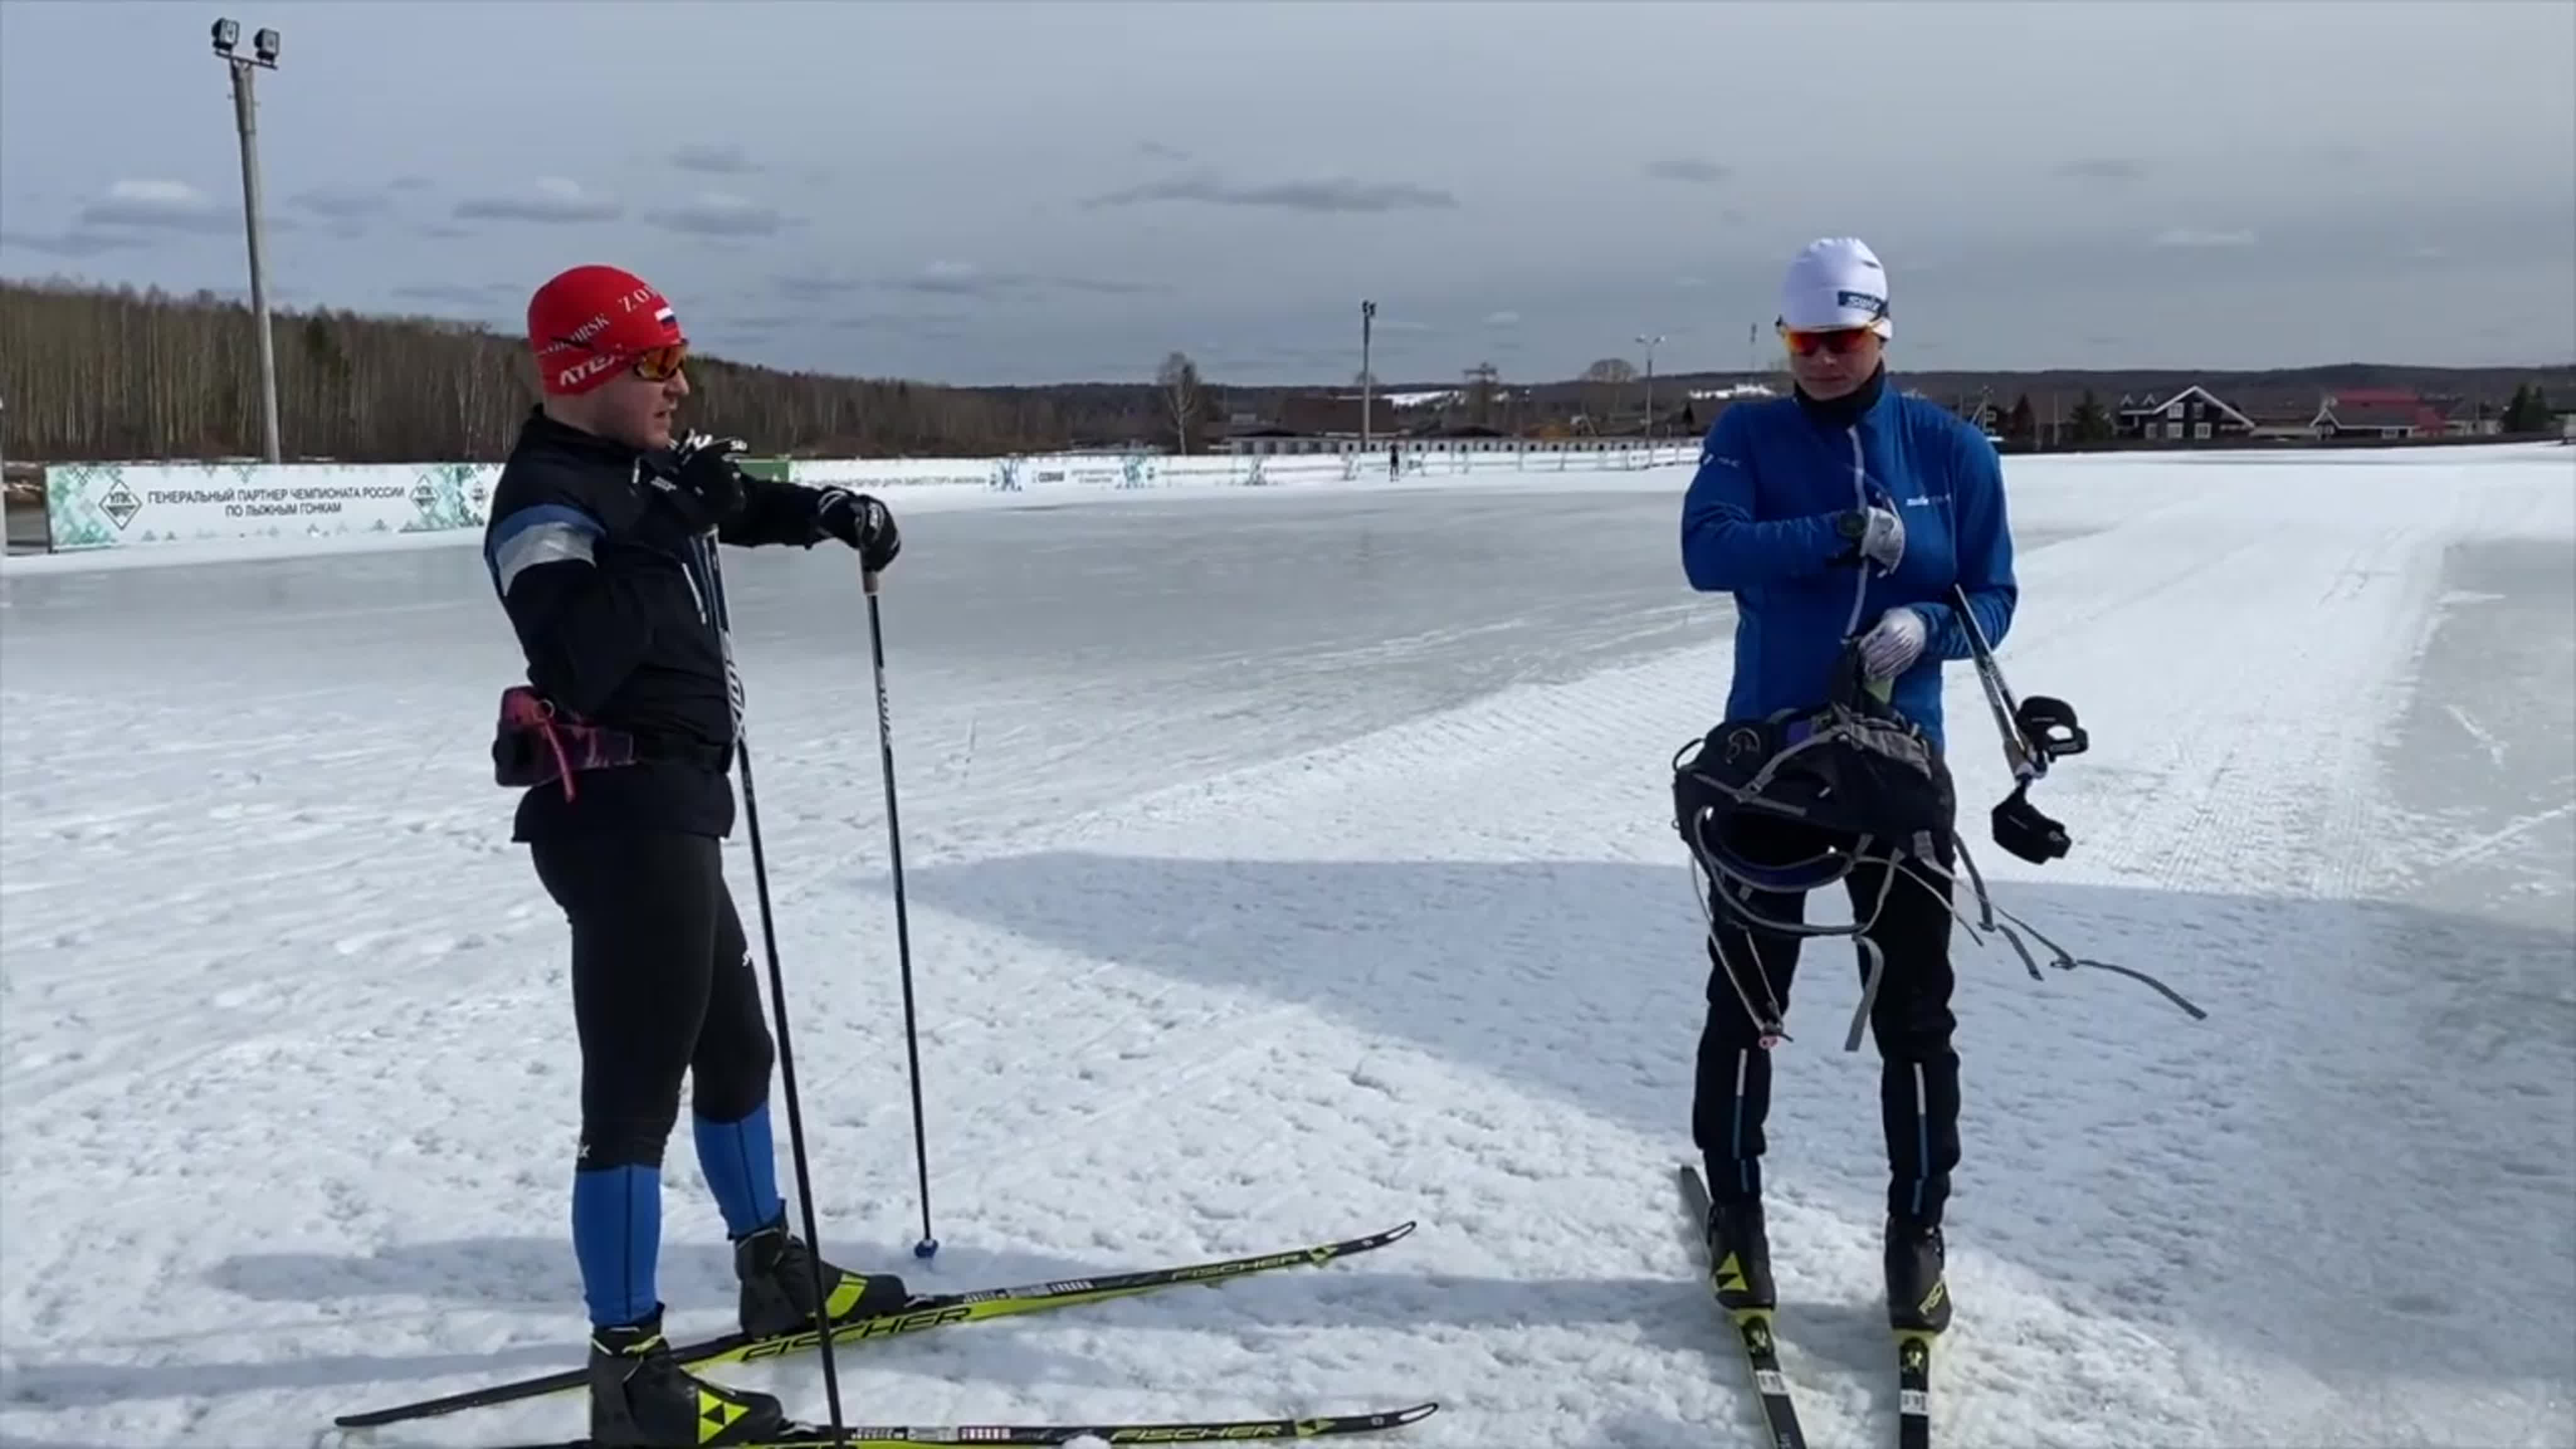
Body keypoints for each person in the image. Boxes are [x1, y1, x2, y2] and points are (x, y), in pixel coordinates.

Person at [480, 263, 908, 1447]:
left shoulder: (634, 470)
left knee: (734, 1048)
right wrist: (666, 518)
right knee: (630, 1099)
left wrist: (820, 510)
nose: (679, 386)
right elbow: (575, 660)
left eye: (680, 362)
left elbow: (726, 505)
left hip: (675, 808)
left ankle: (771, 1268)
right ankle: (629, 1377)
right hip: (616, 817)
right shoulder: (545, 498)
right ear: (584, 372)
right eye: (655, 366)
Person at [1675, 236, 2017, 1340]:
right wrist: (1830, 535)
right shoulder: (1749, 436)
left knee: (1917, 1015)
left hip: (1896, 771)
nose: (1823, 359)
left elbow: (1995, 595)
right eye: (1805, 339)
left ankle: (1916, 1234)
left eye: (1846, 338)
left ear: (1882, 334)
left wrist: (1929, 625)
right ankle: (1737, 1212)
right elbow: (1709, 552)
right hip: (1770, 763)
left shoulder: (1951, 449)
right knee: (1749, 1005)